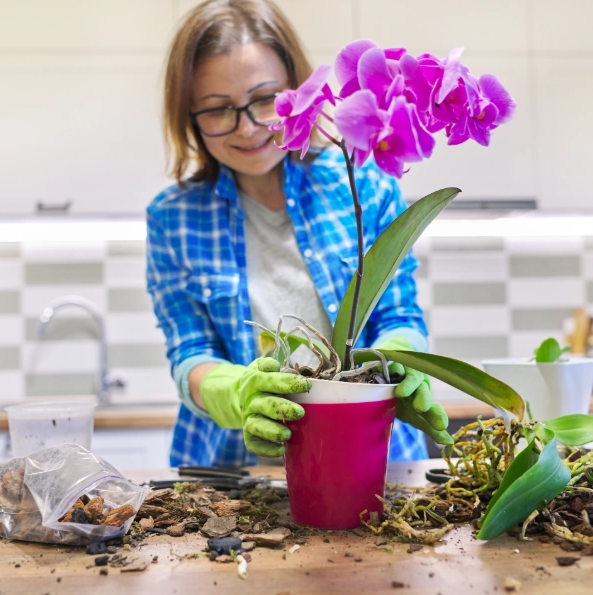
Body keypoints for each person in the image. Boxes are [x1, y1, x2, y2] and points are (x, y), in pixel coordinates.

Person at [147, 0, 448, 468]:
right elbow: (191, 354)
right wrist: (237, 393)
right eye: (217, 109)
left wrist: (401, 359)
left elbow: (397, 313)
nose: (248, 128)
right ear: (189, 117)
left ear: (300, 89)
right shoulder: (174, 218)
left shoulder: (365, 187)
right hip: (235, 481)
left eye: (265, 99)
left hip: (373, 462)